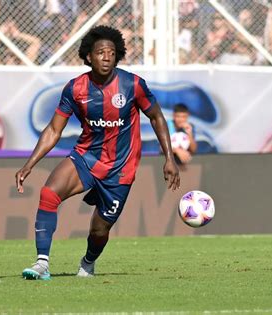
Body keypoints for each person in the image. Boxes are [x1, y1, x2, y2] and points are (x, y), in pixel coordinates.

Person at [15, 25, 180, 280]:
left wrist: (169, 158)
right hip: (86, 157)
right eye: (101, 52)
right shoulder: (75, 89)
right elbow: (53, 130)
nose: (106, 57)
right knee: (49, 193)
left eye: (111, 52)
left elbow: (157, 117)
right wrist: (30, 164)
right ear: (88, 57)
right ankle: (41, 264)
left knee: (100, 229)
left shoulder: (132, 85)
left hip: (120, 169)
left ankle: (88, 262)